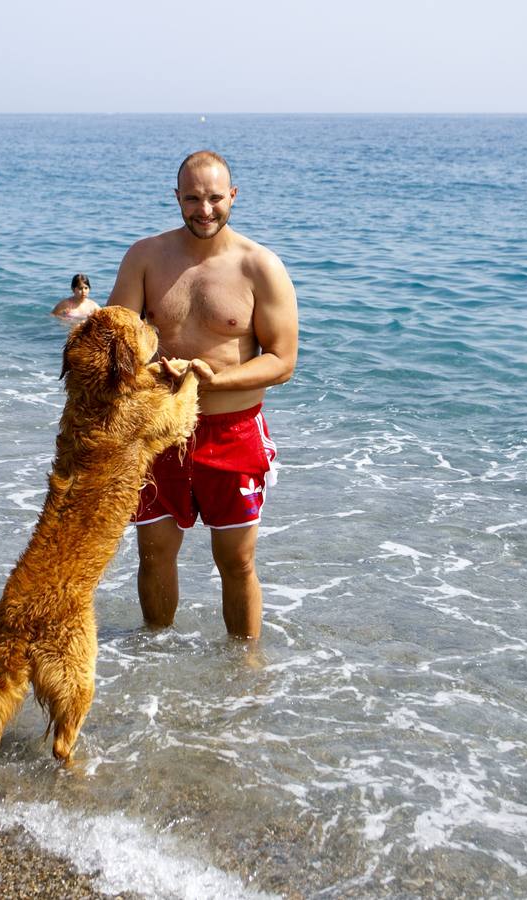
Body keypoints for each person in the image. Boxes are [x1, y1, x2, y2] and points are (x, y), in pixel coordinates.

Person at [108, 150, 298, 640]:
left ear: (232, 196)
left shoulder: (260, 266)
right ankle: (153, 654)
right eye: (192, 198)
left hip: (232, 432)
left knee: (236, 563)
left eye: (215, 197)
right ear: (177, 198)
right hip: (157, 429)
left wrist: (213, 380)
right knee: (153, 554)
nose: (205, 209)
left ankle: (244, 671)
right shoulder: (145, 257)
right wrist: (149, 373)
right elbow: (117, 343)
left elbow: (281, 361)